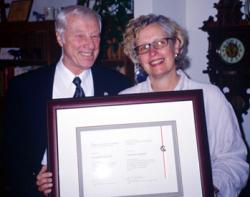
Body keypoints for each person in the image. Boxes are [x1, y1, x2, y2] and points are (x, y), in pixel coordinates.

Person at [4, 5, 132, 197]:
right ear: (60, 37)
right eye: (80, 35)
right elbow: (9, 150)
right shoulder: (23, 88)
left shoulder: (119, 85)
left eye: (95, 35)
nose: (89, 44)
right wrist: (33, 178)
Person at [119, 14, 249, 197]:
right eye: (144, 47)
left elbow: (233, 160)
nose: (152, 52)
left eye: (160, 43)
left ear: (176, 45)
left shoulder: (210, 97)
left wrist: (210, 188)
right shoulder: (123, 103)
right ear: (137, 57)